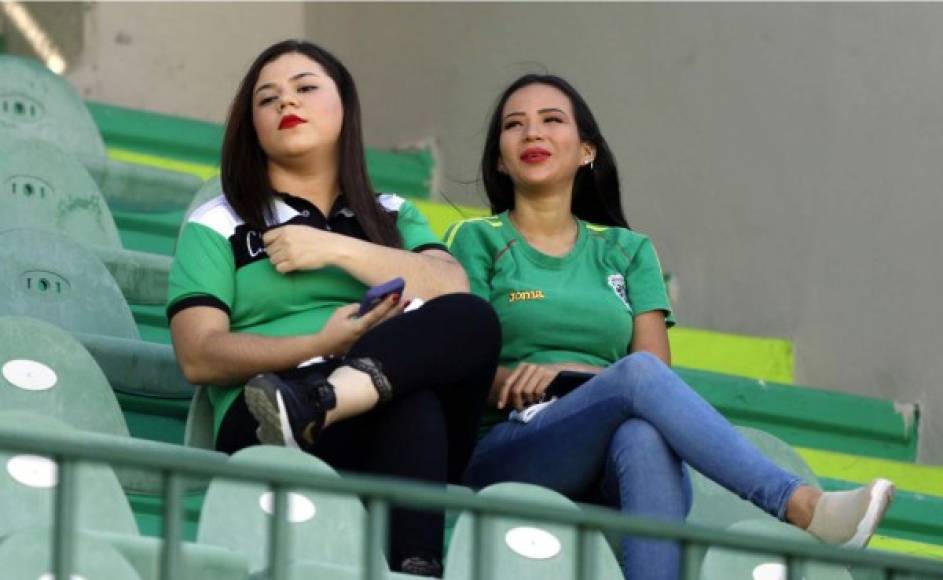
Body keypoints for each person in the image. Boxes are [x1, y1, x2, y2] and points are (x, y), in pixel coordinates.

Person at [446, 73, 895, 580]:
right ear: (501, 159)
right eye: (514, 126)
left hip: (613, 444)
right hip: (512, 445)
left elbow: (653, 369)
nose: (532, 134)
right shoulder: (475, 239)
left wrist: (571, 375)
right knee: (635, 386)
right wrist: (522, 379)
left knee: (641, 432)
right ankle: (798, 504)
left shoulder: (629, 250)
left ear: (586, 150)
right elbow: (457, 364)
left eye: (552, 120)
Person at [167, 39, 500, 576]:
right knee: (411, 406)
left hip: (387, 410)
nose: (285, 103)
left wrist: (335, 248)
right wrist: (319, 345)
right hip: (268, 415)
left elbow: (450, 287)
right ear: (251, 125)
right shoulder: (218, 221)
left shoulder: (392, 213)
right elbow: (198, 355)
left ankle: (324, 400)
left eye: (304, 88)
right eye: (267, 98)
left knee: (470, 321)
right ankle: (412, 562)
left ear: (344, 104)